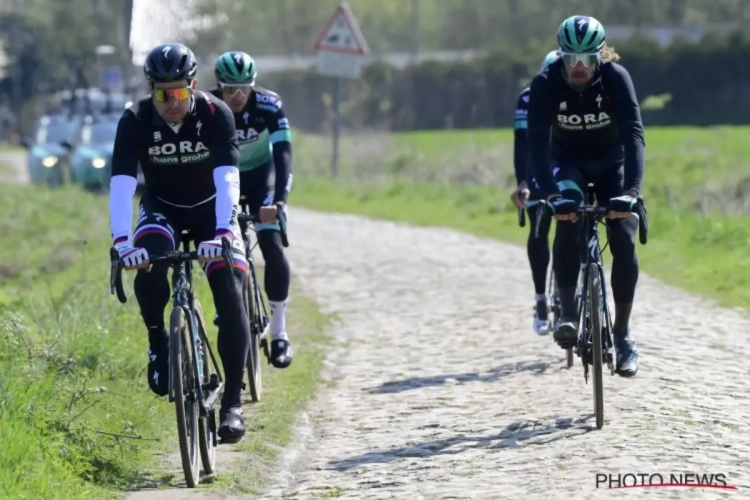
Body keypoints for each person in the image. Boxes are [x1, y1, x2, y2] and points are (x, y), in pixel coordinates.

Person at [108, 42, 250, 443]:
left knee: (228, 286)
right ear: (149, 89)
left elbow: (227, 179)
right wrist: (121, 242)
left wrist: (224, 231)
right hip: (162, 209)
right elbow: (120, 184)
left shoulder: (215, 113)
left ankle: (233, 405)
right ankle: (158, 341)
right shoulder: (134, 119)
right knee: (147, 266)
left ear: (194, 84)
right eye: (161, 94)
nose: (171, 102)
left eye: (179, 92)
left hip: (211, 213)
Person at [527, 16, 645, 377]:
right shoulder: (545, 84)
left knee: (623, 238)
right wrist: (549, 194)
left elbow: (634, 134)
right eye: (570, 58)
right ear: (560, 56)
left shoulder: (615, 79)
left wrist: (632, 191)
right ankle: (565, 313)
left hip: (612, 164)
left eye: (586, 58)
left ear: (598, 56)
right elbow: (535, 144)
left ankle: (623, 335)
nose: (578, 67)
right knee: (568, 218)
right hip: (568, 164)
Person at [209, 51, 294, 370]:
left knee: (271, 246)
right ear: (219, 87)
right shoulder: (207, 107)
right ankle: (229, 307)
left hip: (262, 180)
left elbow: (284, 155)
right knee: (224, 249)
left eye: (244, 88)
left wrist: (280, 201)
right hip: (223, 179)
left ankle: (279, 332)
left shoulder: (269, 106)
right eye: (230, 89)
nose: (238, 96)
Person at [510, 49, 560, 335]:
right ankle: (541, 298)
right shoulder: (528, 97)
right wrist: (522, 182)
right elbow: (522, 144)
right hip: (536, 167)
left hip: (565, 163)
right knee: (539, 228)